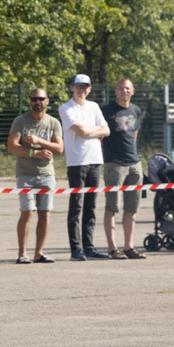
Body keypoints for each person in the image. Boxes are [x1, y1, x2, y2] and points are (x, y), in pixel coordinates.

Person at [6, 88, 65, 263]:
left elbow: (60, 149)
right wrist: (34, 153)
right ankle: (22, 253)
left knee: (45, 213)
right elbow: (11, 146)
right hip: (25, 174)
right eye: (34, 99)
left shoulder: (53, 122)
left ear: (47, 101)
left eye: (41, 98)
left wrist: (40, 142)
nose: (37, 102)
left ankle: (39, 253)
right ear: (30, 101)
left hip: (47, 174)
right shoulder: (21, 121)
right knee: (27, 213)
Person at [60, 74, 110, 260]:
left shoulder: (94, 106)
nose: (82, 90)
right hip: (77, 162)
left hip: (95, 160)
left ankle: (89, 247)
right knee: (76, 206)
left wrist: (90, 131)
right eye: (78, 86)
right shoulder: (66, 108)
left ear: (90, 88)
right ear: (72, 87)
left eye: (85, 87)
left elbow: (107, 130)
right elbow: (79, 131)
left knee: (91, 206)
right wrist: (94, 131)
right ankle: (76, 249)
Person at [101, 78, 146, 259]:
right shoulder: (105, 111)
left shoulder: (135, 110)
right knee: (112, 206)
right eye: (121, 88)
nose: (124, 91)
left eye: (127, 88)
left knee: (132, 207)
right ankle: (112, 248)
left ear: (133, 91)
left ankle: (129, 246)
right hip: (115, 164)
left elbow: (134, 134)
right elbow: (100, 137)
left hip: (134, 163)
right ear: (115, 91)